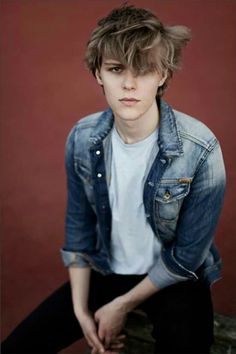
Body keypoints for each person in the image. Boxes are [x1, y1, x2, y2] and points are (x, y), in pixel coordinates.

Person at [2, 4, 226, 354]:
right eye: (116, 69)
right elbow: (79, 230)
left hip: (176, 278)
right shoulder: (82, 137)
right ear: (98, 73)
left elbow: (188, 256)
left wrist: (119, 307)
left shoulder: (200, 147)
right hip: (107, 270)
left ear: (163, 75)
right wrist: (81, 311)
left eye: (145, 69)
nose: (129, 84)